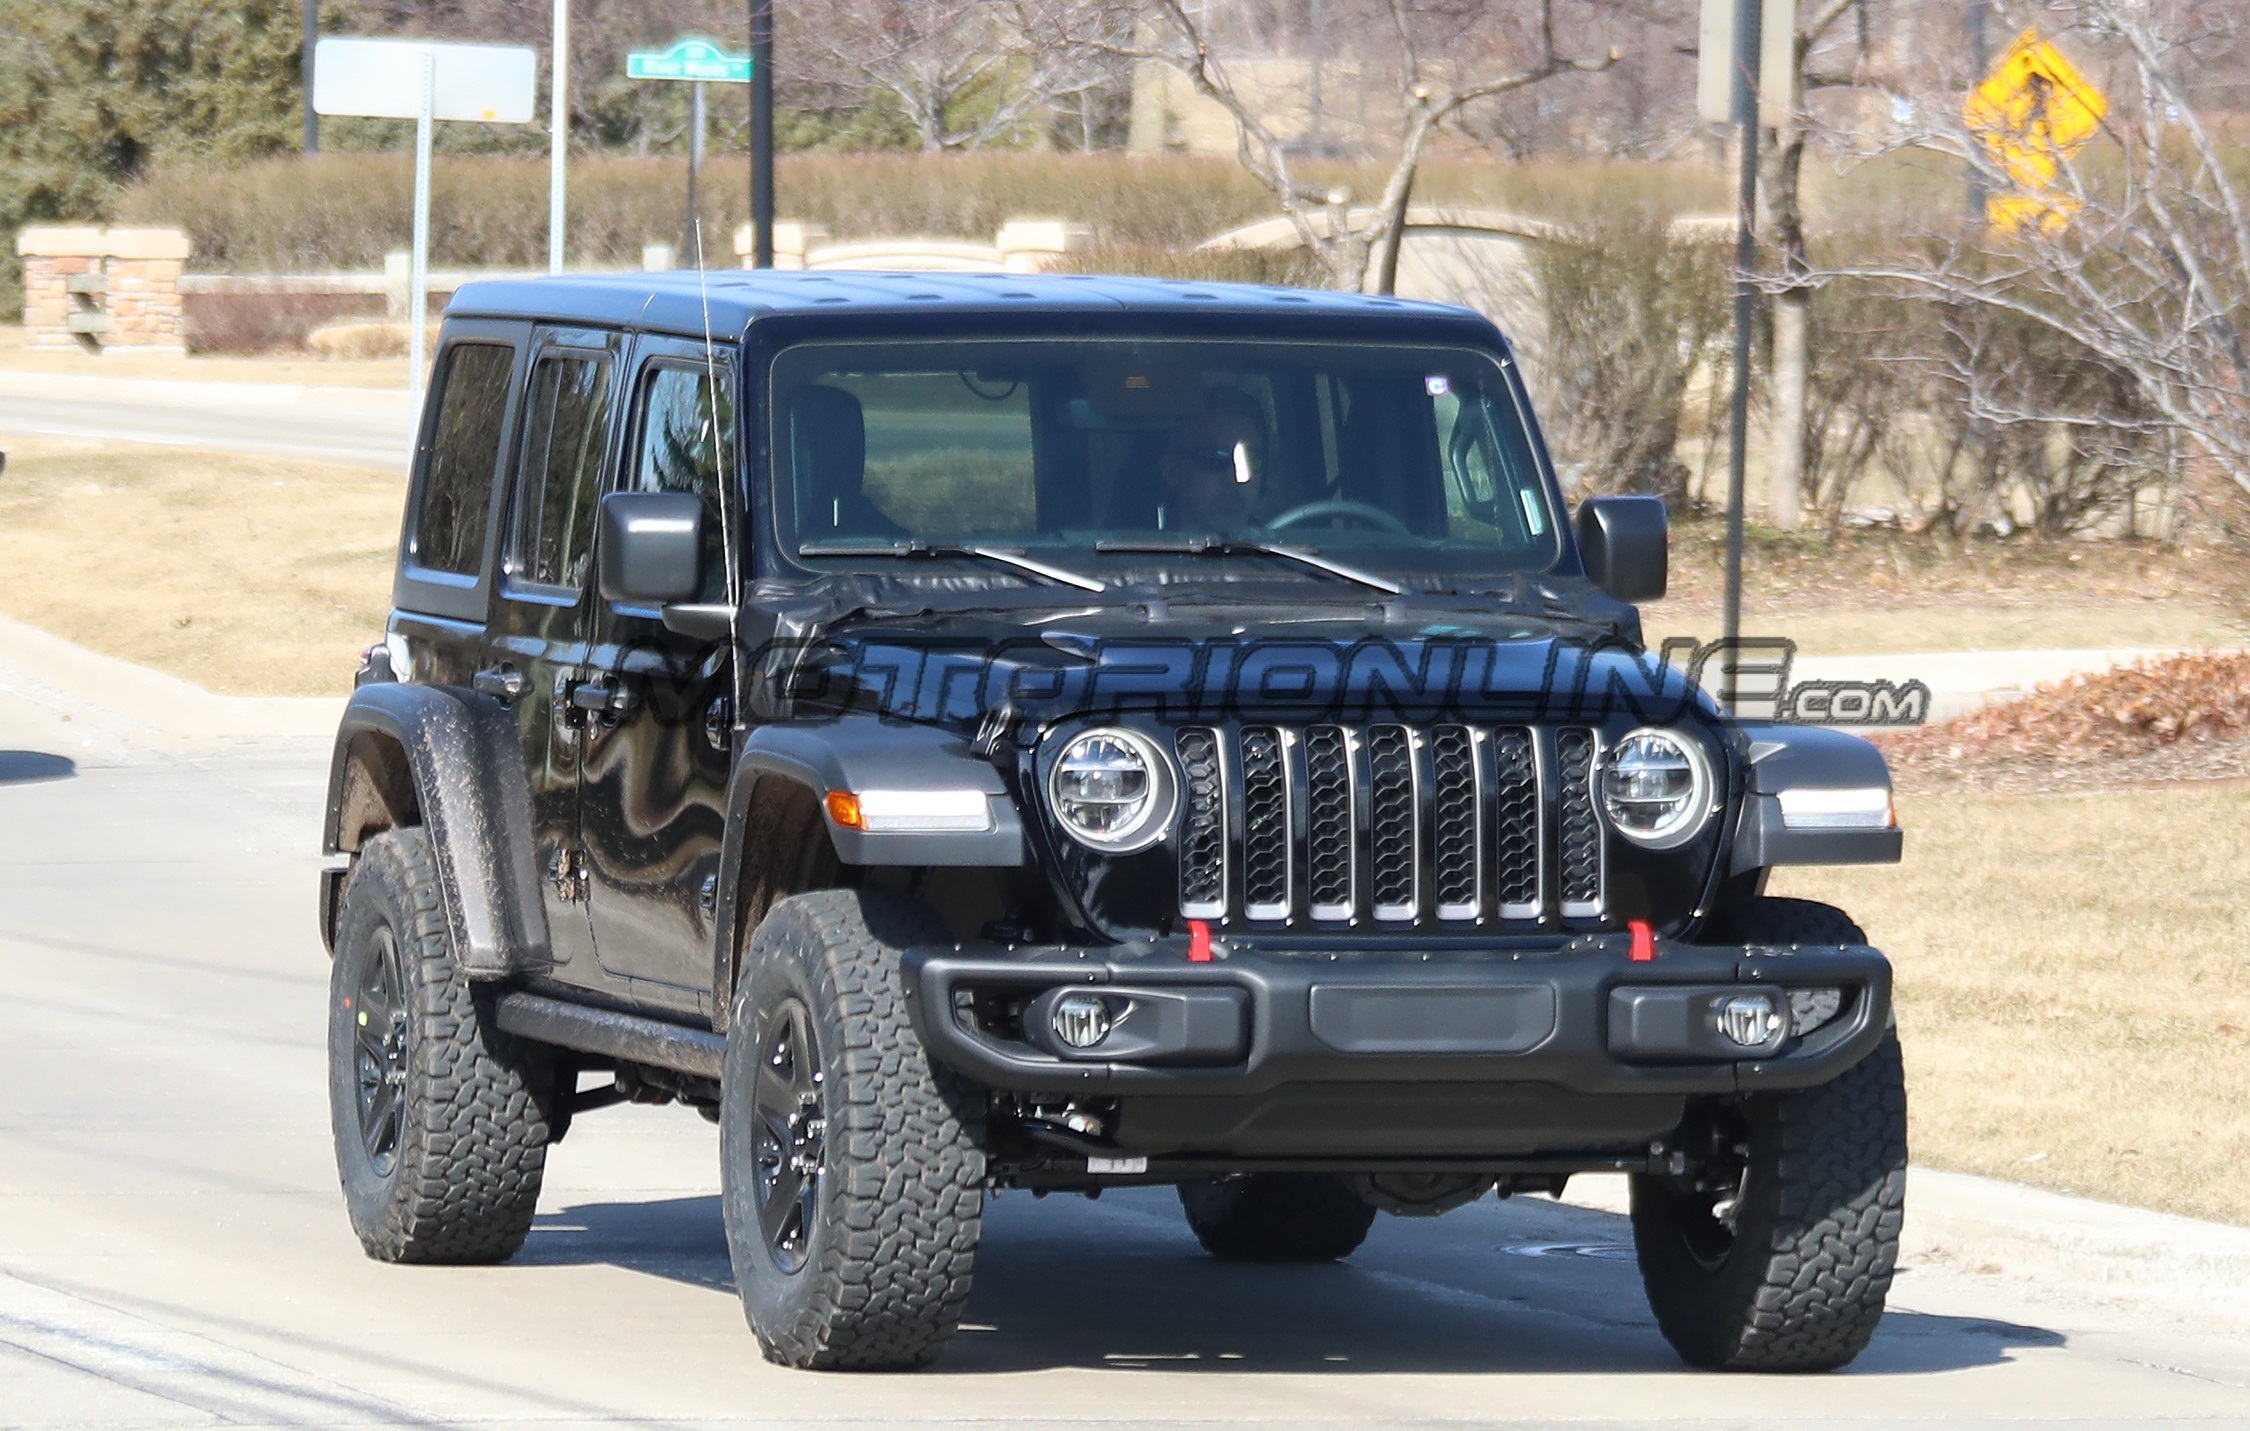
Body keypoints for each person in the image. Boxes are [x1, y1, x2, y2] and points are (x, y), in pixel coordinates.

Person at [1158, 387, 1268, 533]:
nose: (1235, 478)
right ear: (1171, 470)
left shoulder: (1298, 550)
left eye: (1249, 460)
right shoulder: (1133, 553)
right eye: (1214, 458)